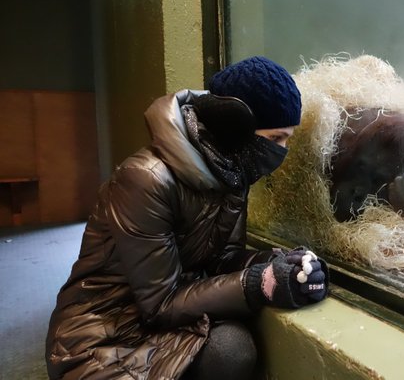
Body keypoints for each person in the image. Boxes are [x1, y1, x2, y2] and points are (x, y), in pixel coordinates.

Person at [45, 56, 329, 380]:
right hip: (101, 338)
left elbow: (222, 259)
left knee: (233, 345)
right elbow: (161, 304)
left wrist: (279, 263)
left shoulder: (232, 173)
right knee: (231, 350)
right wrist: (260, 283)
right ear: (234, 125)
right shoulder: (145, 179)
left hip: (163, 318)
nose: (282, 151)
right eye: (277, 138)